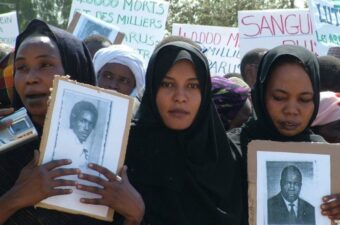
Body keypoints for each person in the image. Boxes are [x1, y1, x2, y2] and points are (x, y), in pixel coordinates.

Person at [0, 19, 144, 225]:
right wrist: (16, 197)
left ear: (74, 68)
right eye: (22, 67)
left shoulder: (120, 148)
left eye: (45, 65)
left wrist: (134, 213)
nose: (31, 77)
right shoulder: (4, 137)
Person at [124, 39, 244, 225]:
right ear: (153, 87)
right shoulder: (124, 152)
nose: (180, 97)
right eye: (167, 84)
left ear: (204, 92)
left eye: (192, 86)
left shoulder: (230, 160)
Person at [227, 45, 328, 225]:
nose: (291, 110)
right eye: (279, 97)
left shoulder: (325, 157)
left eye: (304, 99)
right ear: (261, 95)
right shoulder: (230, 151)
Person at [53, 101, 98, 169]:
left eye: (90, 124)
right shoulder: (61, 139)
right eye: (83, 121)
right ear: (74, 120)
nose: (87, 128)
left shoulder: (82, 146)